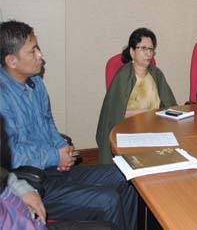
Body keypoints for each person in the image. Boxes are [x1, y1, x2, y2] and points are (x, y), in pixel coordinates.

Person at [0, 20, 137, 230]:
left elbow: (48, 123)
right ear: (12, 60)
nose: (40, 56)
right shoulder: (3, 97)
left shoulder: (36, 83)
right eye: (33, 51)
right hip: (31, 182)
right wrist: (55, 156)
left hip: (54, 168)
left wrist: (63, 150)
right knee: (108, 200)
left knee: (126, 175)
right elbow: (10, 155)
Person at [96, 27, 177, 164]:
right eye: (143, 48)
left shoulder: (156, 74)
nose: (148, 54)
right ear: (132, 52)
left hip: (154, 131)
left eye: (151, 49)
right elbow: (114, 114)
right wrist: (146, 113)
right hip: (128, 131)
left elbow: (169, 106)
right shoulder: (123, 76)